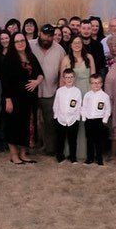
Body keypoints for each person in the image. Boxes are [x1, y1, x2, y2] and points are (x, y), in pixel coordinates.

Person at [1, 32, 43, 164]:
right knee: (13, 125)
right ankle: (14, 155)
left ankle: (24, 153)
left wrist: (37, 82)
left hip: (29, 99)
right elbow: (4, 81)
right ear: (13, 44)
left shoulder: (31, 56)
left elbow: (41, 74)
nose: (20, 43)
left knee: (27, 126)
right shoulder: (8, 59)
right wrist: (7, 100)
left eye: (22, 41)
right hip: (14, 98)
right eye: (17, 41)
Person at [30, 24, 67, 156]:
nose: (47, 38)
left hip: (51, 91)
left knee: (50, 121)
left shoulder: (60, 50)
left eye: (50, 35)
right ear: (40, 33)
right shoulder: (29, 45)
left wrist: (60, 90)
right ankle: (29, 147)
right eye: (45, 34)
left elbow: (63, 71)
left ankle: (50, 148)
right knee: (30, 120)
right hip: (31, 91)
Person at [60, 35, 95, 161]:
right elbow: (62, 79)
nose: (77, 44)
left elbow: (93, 77)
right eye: (74, 42)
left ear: (82, 44)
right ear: (70, 44)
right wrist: (62, 96)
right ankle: (70, 151)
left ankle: (85, 152)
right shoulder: (65, 59)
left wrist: (93, 96)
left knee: (85, 121)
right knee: (72, 120)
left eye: (79, 42)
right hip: (71, 93)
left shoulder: (89, 57)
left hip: (86, 91)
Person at [53, 69, 82, 163]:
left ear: (74, 78)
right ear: (63, 79)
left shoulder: (77, 91)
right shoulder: (59, 91)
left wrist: (77, 118)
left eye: (71, 77)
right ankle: (59, 156)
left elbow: (78, 106)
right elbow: (56, 104)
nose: (69, 79)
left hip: (73, 120)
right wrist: (56, 116)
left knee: (72, 140)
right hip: (60, 119)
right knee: (60, 139)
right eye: (67, 77)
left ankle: (73, 157)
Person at [81, 73, 111, 165]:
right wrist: (84, 117)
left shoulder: (105, 96)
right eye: (93, 83)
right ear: (90, 84)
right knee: (89, 140)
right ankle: (89, 158)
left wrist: (104, 120)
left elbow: (108, 109)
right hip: (89, 120)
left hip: (99, 121)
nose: (96, 85)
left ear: (101, 84)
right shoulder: (87, 95)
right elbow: (83, 107)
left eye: (98, 83)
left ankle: (99, 158)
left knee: (98, 141)